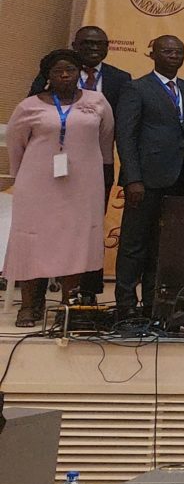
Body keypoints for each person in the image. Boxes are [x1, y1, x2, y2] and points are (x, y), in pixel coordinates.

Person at [8, 49, 115, 325]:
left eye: (70, 69)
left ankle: (69, 305)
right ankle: (30, 305)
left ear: (79, 71)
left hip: (83, 184)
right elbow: (16, 145)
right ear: (48, 75)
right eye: (58, 71)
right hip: (38, 183)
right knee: (34, 239)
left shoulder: (97, 101)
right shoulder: (29, 105)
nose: (65, 75)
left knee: (76, 241)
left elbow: (105, 143)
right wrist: (22, 178)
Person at [114, 35, 184, 315]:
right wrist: (132, 178)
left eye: (179, 51)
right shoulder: (136, 88)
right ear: (153, 54)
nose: (174, 55)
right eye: (167, 51)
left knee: (162, 246)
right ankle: (125, 304)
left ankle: (153, 304)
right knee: (134, 244)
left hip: (179, 179)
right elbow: (126, 136)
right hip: (146, 180)